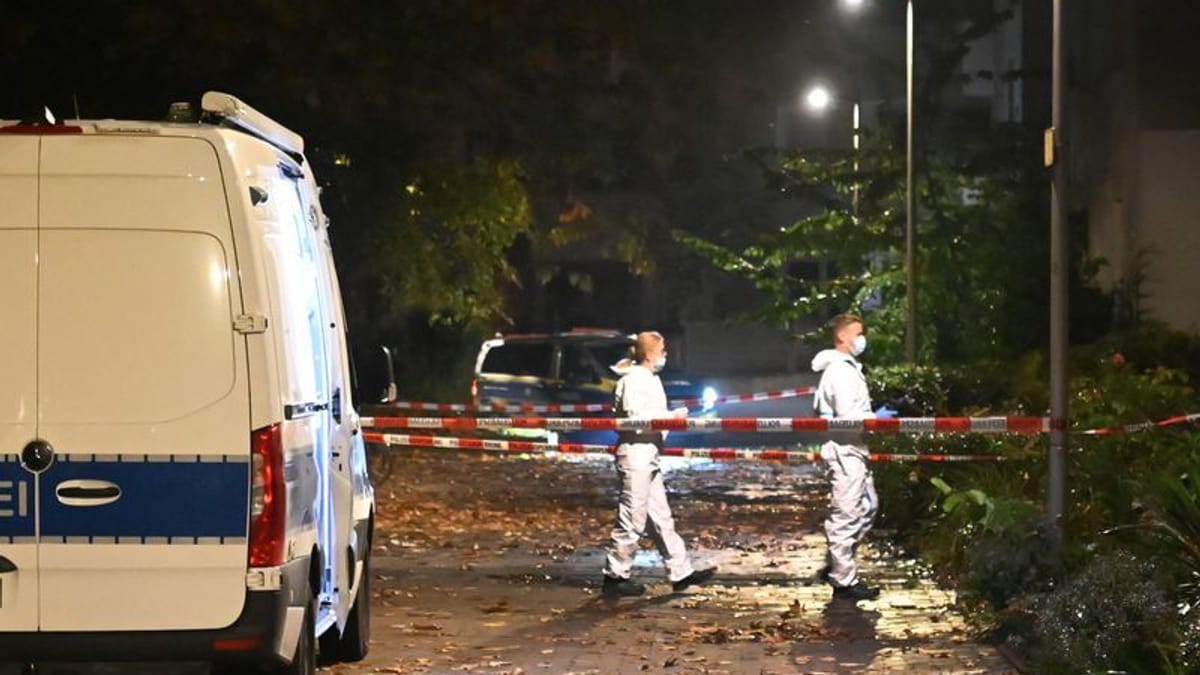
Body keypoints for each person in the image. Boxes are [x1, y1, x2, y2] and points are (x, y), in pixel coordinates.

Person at [601, 331, 717, 597]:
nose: (666, 354)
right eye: (662, 349)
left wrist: (669, 417)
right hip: (636, 453)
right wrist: (670, 417)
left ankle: (680, 572)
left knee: (660, 518)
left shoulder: (649, 378)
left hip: (649, 453)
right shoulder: (633, 380)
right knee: (632, 517)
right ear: (649, 353)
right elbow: (636, 417)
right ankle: (615, 576)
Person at [811, 314, 896, 601]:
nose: (863, 339)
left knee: (868, 507)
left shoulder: (847, 369)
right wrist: (876, 418)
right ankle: (844, 582)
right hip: (845, 450)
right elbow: (848, 416)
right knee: (846, 514)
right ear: (842, 337)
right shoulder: (840, 372)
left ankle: (838, 563)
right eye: (858, 333)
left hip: (855, 449)